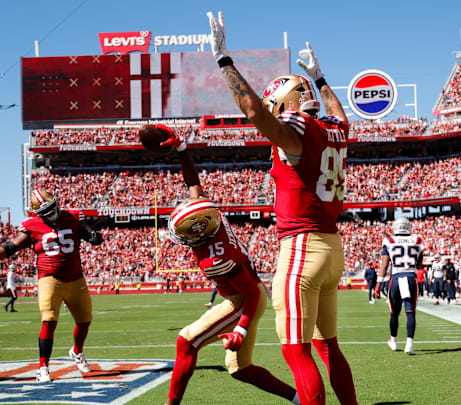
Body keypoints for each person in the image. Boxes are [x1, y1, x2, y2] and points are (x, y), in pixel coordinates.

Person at [208, 12, 357, 405]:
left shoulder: (297, 128)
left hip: (302, 249)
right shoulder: (333, 129)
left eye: (278, 103)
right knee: (329, 346)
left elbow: (256, 113)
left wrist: (224, 60)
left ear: (285, 104)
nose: (274, 110)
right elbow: (340, 116)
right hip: (332, 246)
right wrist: (322, 79)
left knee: (296, 351)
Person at [158, 126, 299, 405]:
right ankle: (299, 399)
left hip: (243, 299)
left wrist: (241, 328)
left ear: (199, 233)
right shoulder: (211, 218)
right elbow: (193, 183)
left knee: (186, 341)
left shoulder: (216, 257)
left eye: (186, 232)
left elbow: (252, 295)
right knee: (240, 369)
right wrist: (182, 149)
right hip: (247, 292)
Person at [0, 188, 103, 383]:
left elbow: (89, 234)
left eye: (52, 208)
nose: (52, 213)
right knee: (49, 320)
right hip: (50, 279)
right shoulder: (32, 226)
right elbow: (10, 247)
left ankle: (77, 351)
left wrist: (94, 237)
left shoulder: (72, 217)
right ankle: (43, 367)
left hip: (75, 278)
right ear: (38, 214)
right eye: (46, 211)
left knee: (85, 321)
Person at [378, 217, 424, 355]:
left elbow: (385, 265)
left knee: (394, 313)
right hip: (410, 277)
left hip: (396, 279)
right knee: (410, 312)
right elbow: (420, 265)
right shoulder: (418, 240)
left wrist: (378, 284)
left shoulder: (389, 241)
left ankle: (394, 341)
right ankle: (409, 344)